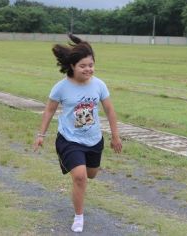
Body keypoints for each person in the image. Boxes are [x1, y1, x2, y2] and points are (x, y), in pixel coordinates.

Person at [33, 34, 122, 233]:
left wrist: (115, 136)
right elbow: (49, 110)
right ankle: (79, 216)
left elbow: (109, 110)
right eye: (83, 66)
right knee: (80, 177)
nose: (88, 69)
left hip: (93, 139)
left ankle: (82, 175)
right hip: (69, 139)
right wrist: (41, 135)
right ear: (72, 66)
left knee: (91, 175)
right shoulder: (61, 87)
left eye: (91, 65)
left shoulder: (99, 85)